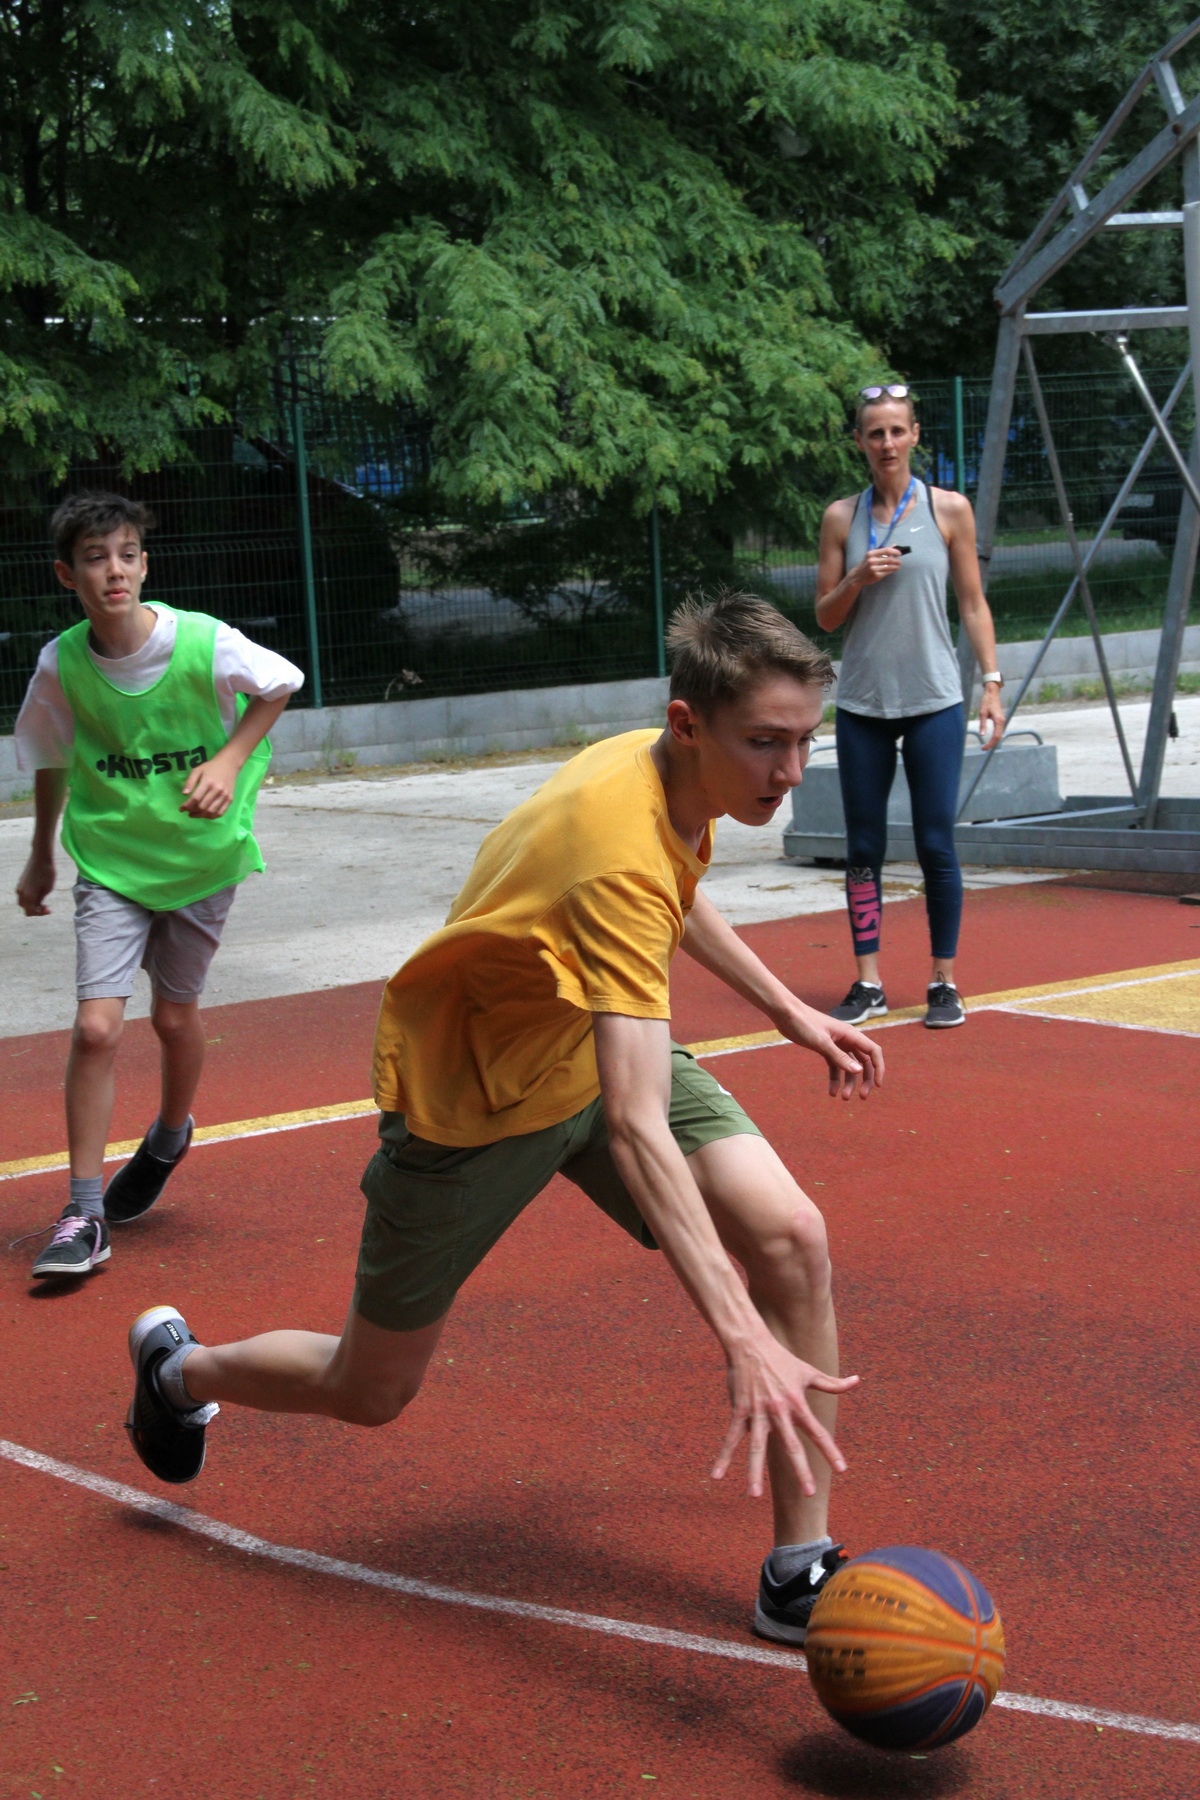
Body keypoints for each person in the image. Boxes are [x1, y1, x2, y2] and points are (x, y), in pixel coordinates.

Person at [122, 590, 885, 1647]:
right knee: (369, 1387)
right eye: (767, 743)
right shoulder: (618, 845)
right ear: (687, 723)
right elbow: (638, 1124)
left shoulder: (672, 776)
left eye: (805, 740)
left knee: (793, 1237)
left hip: (587, 1040)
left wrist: (787, 1008)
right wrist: (742, 1336)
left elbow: (672, 892)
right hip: (477, 1098)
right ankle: (178, 1372)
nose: (791, 770)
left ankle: (798, 1569)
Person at [14, 491, 303, 1280]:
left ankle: (170, 1135)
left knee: (175, 1018)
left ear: (145, 564)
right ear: (67, 575)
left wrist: (229, 760)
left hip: (201, 860)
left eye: (127, 555)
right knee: (96, 1027)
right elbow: (50, 755)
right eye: (95, 558)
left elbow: (280, 682)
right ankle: (84, 1213)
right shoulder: (62, 663)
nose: (114, 570)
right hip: (111, 863)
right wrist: (41, 854)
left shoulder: (201, 641)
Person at [815, 383, 1007, 1029]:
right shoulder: (841, 518)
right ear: (859, 442)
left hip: (934, 701)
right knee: (863, 846)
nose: (887, 443)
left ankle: (943, 981)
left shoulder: (949, 509)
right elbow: (825, 616)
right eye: (875, 433)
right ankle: (868, 981)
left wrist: (991, 683)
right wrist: (856, 577)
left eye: (897, 431)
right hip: (864, 705)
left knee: (936, 844)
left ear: (915, 435)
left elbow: (973, 604)